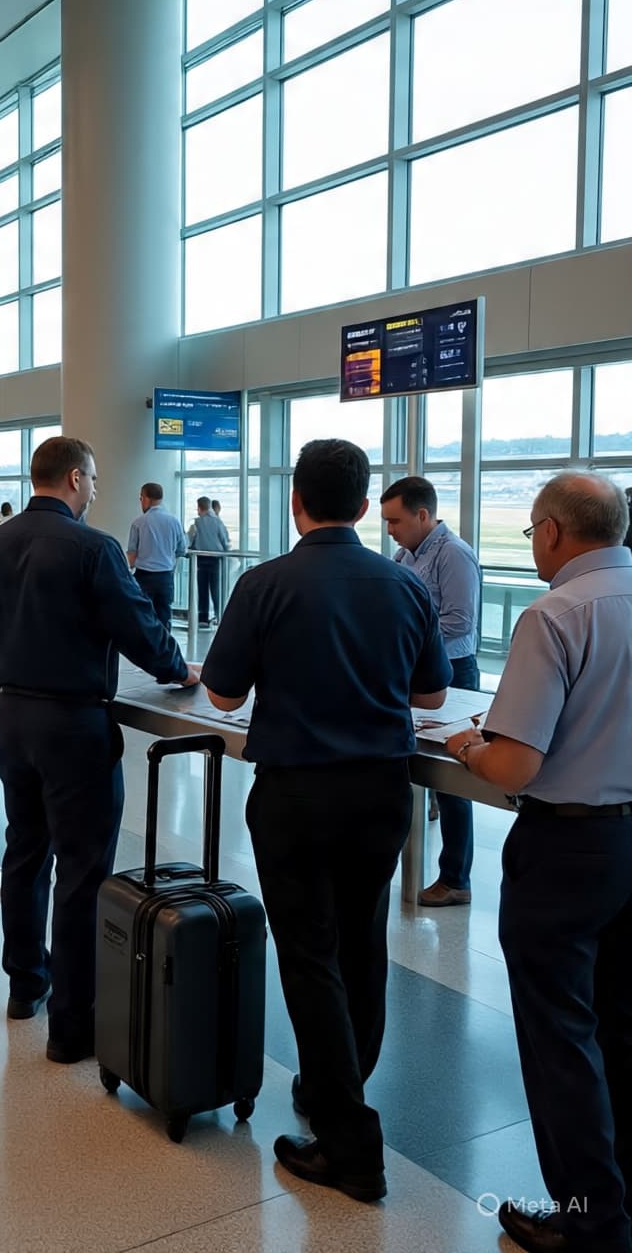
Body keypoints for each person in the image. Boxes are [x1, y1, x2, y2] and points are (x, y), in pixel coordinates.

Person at [202, 438, 450, 1204]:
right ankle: (335, 1085)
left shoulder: (266, 583)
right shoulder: (402, 584)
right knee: (361, 946)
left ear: (295, 501)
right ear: (362, 500)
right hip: (380, 796)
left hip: (296, 795)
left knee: (308, 955)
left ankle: (349, 1144)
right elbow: (434, 695)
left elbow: (222, 697)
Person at [0, 437, 199, 1064]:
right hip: (74, 725)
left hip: (12, 717)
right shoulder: (93, 548)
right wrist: (180, 670)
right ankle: (72, 1026)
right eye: (92, 479)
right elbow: (139, 628)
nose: (95, 489)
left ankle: (24, 985)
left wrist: (5, 696)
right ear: (74, 477)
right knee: (83, 869)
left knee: (25, 849)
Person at [442, 473, 632, 1253]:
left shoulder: (556, 613)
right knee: (618, 1025)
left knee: (560, 1038)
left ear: (553, 532)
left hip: (568, 848)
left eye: (530, 532)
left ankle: (590, 1223)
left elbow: (516, 765)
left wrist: (470, 745)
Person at [380, 475, 483, 907]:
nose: (390, 531)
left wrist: (411, 640)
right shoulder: (407, 554)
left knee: (454, 783)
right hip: (413, 668)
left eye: (396, 521)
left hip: (452, 671)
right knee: (420, 767)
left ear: (423, 515)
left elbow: (459, 621)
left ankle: (455, 877)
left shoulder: (454, 556)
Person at [126, 481, 187, 631]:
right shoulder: (174, 522)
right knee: (164, 617)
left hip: (144, 577)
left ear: (146, 498)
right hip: (166, 577)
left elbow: (132, 556)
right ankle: (164, 650)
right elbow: (181, 549)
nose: (141, 502)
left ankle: (144, 651)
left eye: (141, 498)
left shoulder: (138, 523)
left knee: (143, 617)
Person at [187, 495, 229, 626]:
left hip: (200, 560)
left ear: (199, 508)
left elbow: (190, 541)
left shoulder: (197, 524)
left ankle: (203, 618)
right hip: (216, 560)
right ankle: (220, 616)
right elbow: (224, 540)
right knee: (216, 590)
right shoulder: (218, 522)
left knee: (202, 590)